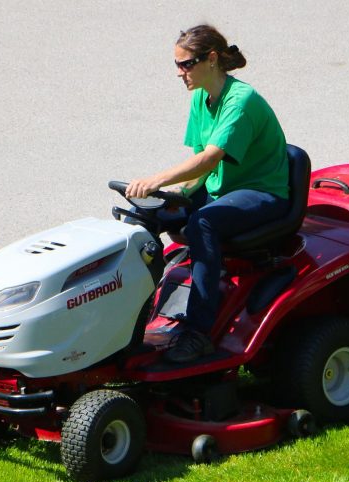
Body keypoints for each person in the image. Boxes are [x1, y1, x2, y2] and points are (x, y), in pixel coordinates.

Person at [126, 24, 289, 363]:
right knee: (148, 215)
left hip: (262, 192)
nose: (179, 73)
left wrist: (157, 180)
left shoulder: (241, 101)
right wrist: (170, 200)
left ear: (212, 59)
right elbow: (198, 169)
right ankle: (129, 324)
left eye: (186, 64)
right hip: (221, 189)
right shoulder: (201, 96)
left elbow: (210, 157)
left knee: (202, 224)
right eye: (176, 64)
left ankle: (199, 333)